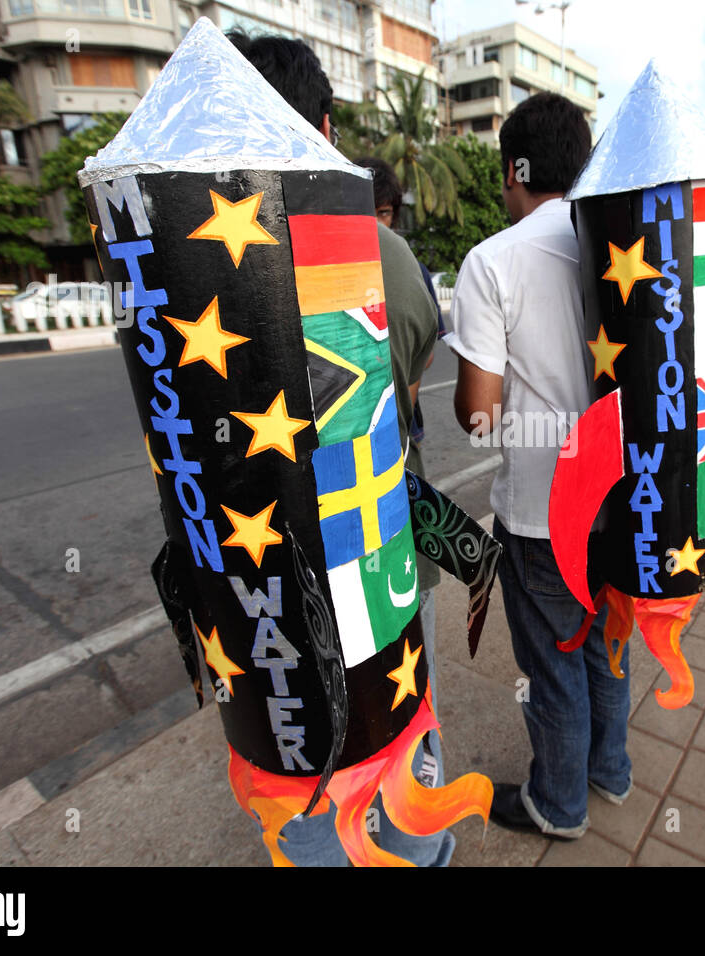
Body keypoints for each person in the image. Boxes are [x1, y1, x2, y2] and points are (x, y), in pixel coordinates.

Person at [225, 30, 446, 867]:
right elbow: (415, 372)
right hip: (381, 554)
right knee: (395, 748)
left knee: (302, 777)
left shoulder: (174, 266)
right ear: (321, 126)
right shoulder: (382, 250)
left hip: (256, 586)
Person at [446, 92, 622, 840]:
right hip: (621, 497)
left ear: (517, 169)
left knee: (554, 660)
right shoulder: (619, 241)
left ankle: (559, 803)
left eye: (502, 173)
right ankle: (608, 770)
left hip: (545, 510)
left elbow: (478, 414)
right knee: (606, 642)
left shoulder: (494, 261)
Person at [353, 155, 445, 446]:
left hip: (402, 423)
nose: (379, 225)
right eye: (370, 212)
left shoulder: (411, 267)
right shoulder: (409, 266)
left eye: (384, 213)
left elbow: (426, 352)